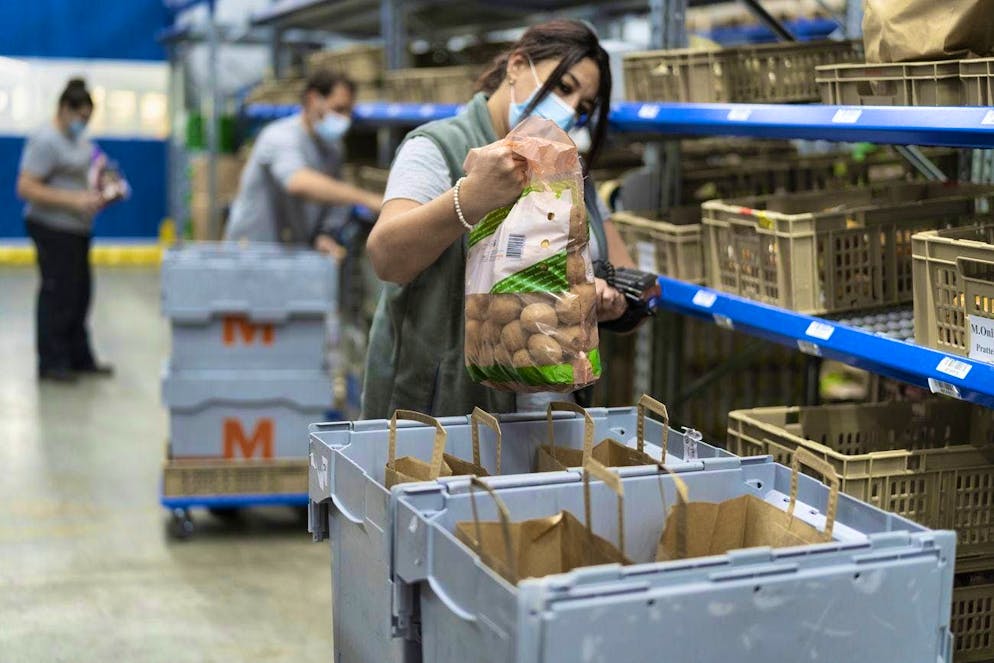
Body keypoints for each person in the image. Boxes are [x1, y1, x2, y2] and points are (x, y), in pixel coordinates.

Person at [362, 19, 636, 419]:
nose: (570, 110)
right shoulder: (437, 148)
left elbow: (629, 276)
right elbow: (386, 258)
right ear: (517, 66)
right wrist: (470, 198)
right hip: (447, 414)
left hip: (549, 414)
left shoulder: (568, 173)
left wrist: (611, 296)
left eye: (584, 107)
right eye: (563, 87)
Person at [17, 78, 116, 383]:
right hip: (50, 226)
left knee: (80, 295)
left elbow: (99, 166)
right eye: (79, 117)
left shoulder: (81, 142)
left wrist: (108, 186)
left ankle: (79, 357)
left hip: (77, 229)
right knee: (57, 294)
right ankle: (52, 361)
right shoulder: (45, 140)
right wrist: (72, 200)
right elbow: (25, 186)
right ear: (63, 109)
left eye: (87, 119)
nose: (82, 123)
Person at [224, 70, 383, 257]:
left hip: (294, 256)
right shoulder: (279, 136)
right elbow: (298, 182)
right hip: (252, 252)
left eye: (349, 111)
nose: (345, 119)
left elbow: (335, 201)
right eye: (339, 109)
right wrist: (366, 199)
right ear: (313, 99)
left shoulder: (332, 148)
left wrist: (325, 234)